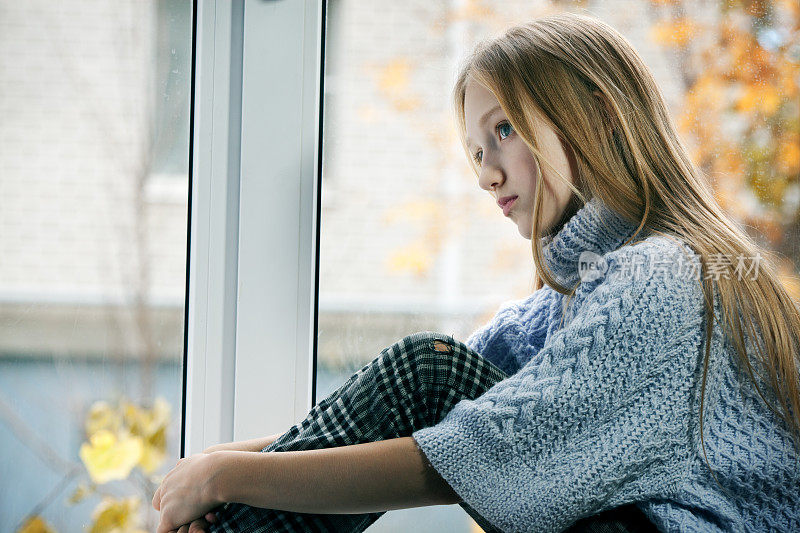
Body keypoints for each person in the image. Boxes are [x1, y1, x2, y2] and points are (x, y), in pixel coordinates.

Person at [152, 12, 800, 533]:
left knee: (427, 373)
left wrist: (224, 480)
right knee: (429, 376)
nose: (487, 172)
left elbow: (475, 449)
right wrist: (219, 462)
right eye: (476, 150)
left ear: (600, 115)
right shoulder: (566, 302)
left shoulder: (663, 280)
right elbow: (402, 416)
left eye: (505, 129)